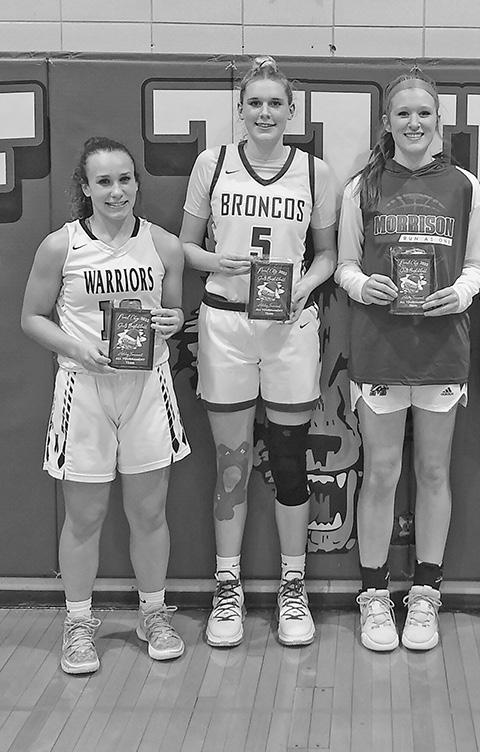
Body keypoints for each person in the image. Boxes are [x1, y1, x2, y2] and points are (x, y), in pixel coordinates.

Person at [179, 56, 337, 648]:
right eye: (255, 103)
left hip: (289, 324)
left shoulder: (315, 172)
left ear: (292, 111)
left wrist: (304, 284)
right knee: (233, 461)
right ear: (240, 110)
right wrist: (216, 259)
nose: (265, 112)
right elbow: (185, 246)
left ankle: (293, 586)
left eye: (275, 103)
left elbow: (327, 254)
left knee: (291, 459)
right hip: (226, 323)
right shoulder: (213, 163)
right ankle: (229, 586)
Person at [20, 136, 190, 674]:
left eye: (125, 179)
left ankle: (153, 614)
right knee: (84, 516)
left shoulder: (164, 246)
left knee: (149, 513)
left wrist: (174, 320)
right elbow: (32, 317)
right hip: (84, 389)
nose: (117, 191)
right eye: (104, 181)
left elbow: (174, 314)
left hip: (147, 387)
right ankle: (77, 622)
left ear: (137, 183)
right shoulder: (61, 246)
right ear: (86, 187)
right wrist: (77, 348)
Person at [336, 67, 480, 652]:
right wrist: (362, 285)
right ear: (387, 122)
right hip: (379, 347)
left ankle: (425, 594)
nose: (414, 122)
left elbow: (479, 264)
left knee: (432, 471)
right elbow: (344, 264)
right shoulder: (361, 187)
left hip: (441, 347)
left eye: (424, 113)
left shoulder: (465, 186)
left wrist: (465, 292)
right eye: (403, 113)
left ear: (439, 120)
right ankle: (375, 596)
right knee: (380, 472)